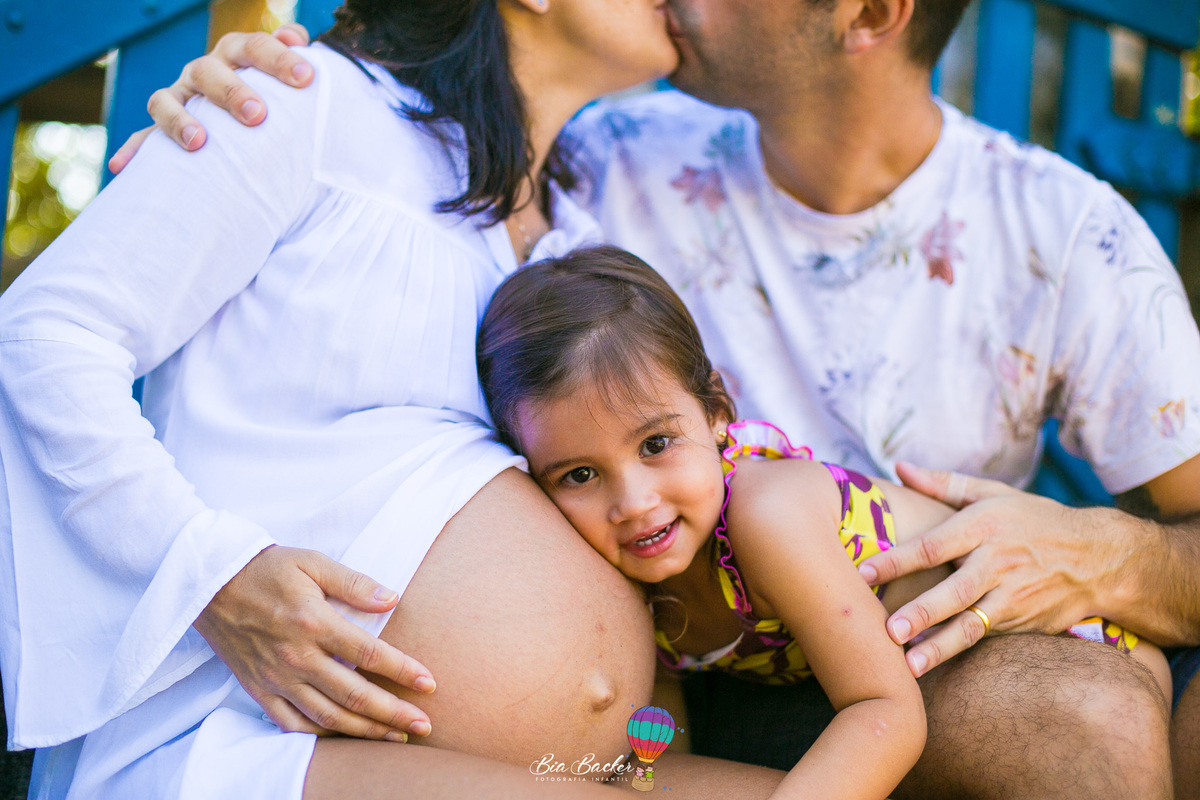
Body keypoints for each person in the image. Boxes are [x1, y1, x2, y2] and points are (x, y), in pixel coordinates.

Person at [116, 0, 1200, 796]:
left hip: (883, 654)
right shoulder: (596, 155)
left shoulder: (1068, 235)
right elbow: (414, 124)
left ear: (868, 13)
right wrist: (215, 136)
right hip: (677, 683)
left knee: (1094, 715)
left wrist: (1119, 553)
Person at [0, 2, 790, 798]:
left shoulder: (573, 236)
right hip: (252, 744)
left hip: (605, 761)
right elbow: (47, 334)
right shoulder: (300, 103)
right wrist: (212, 578)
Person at [475, 244, 1174, 799]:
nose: (631, 501)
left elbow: (884, 713)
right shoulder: (628, 584)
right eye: (579, 475)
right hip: (936, 676)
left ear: (717, 414)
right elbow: (658, 756)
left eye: (656, 444)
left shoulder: (763, 512)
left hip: (1078, 641)